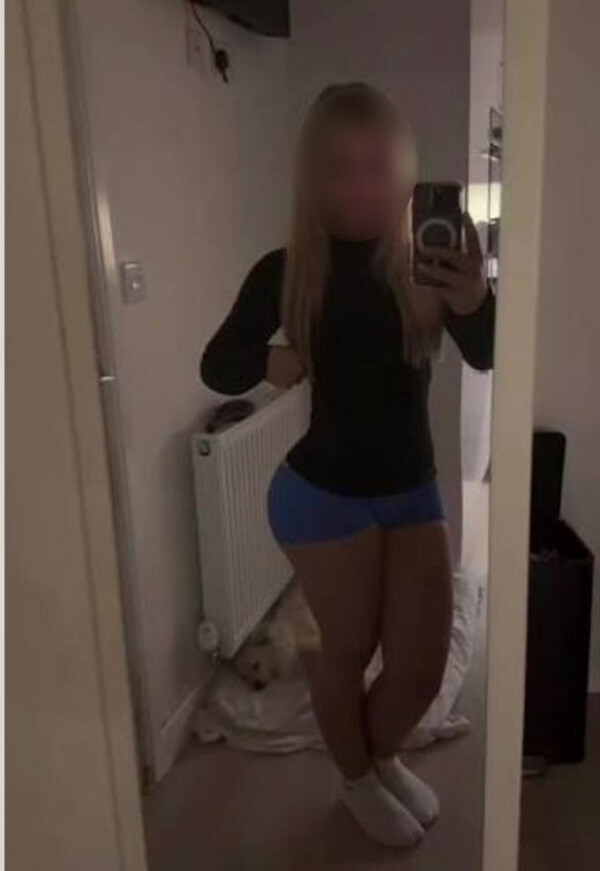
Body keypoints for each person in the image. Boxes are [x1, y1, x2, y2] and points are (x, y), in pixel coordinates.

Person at [201, 83, 494, 847]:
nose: (360, 184)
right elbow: (218, 362)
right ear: (313, 176)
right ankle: (359, 777)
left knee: (422, 664)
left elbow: (492, 354)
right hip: (320, 497)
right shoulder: (287, 269)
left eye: (376, 164)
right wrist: (269, 360)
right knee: (347, 650)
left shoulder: (427, 263)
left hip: (412, 491)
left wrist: (474, 297)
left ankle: (377, 754)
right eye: (339, 166)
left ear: (404, 171)